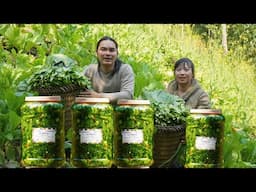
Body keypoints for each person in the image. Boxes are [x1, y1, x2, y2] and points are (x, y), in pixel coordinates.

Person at [80, 36, 135, 104]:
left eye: (111, 50)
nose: (107, 53)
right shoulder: (90, 70)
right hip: (95, 111)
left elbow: (128, 95)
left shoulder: (125, 69)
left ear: (117, 53)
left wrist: (98, 96)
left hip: (120, 111)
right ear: (96, 52)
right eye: (103, 49)